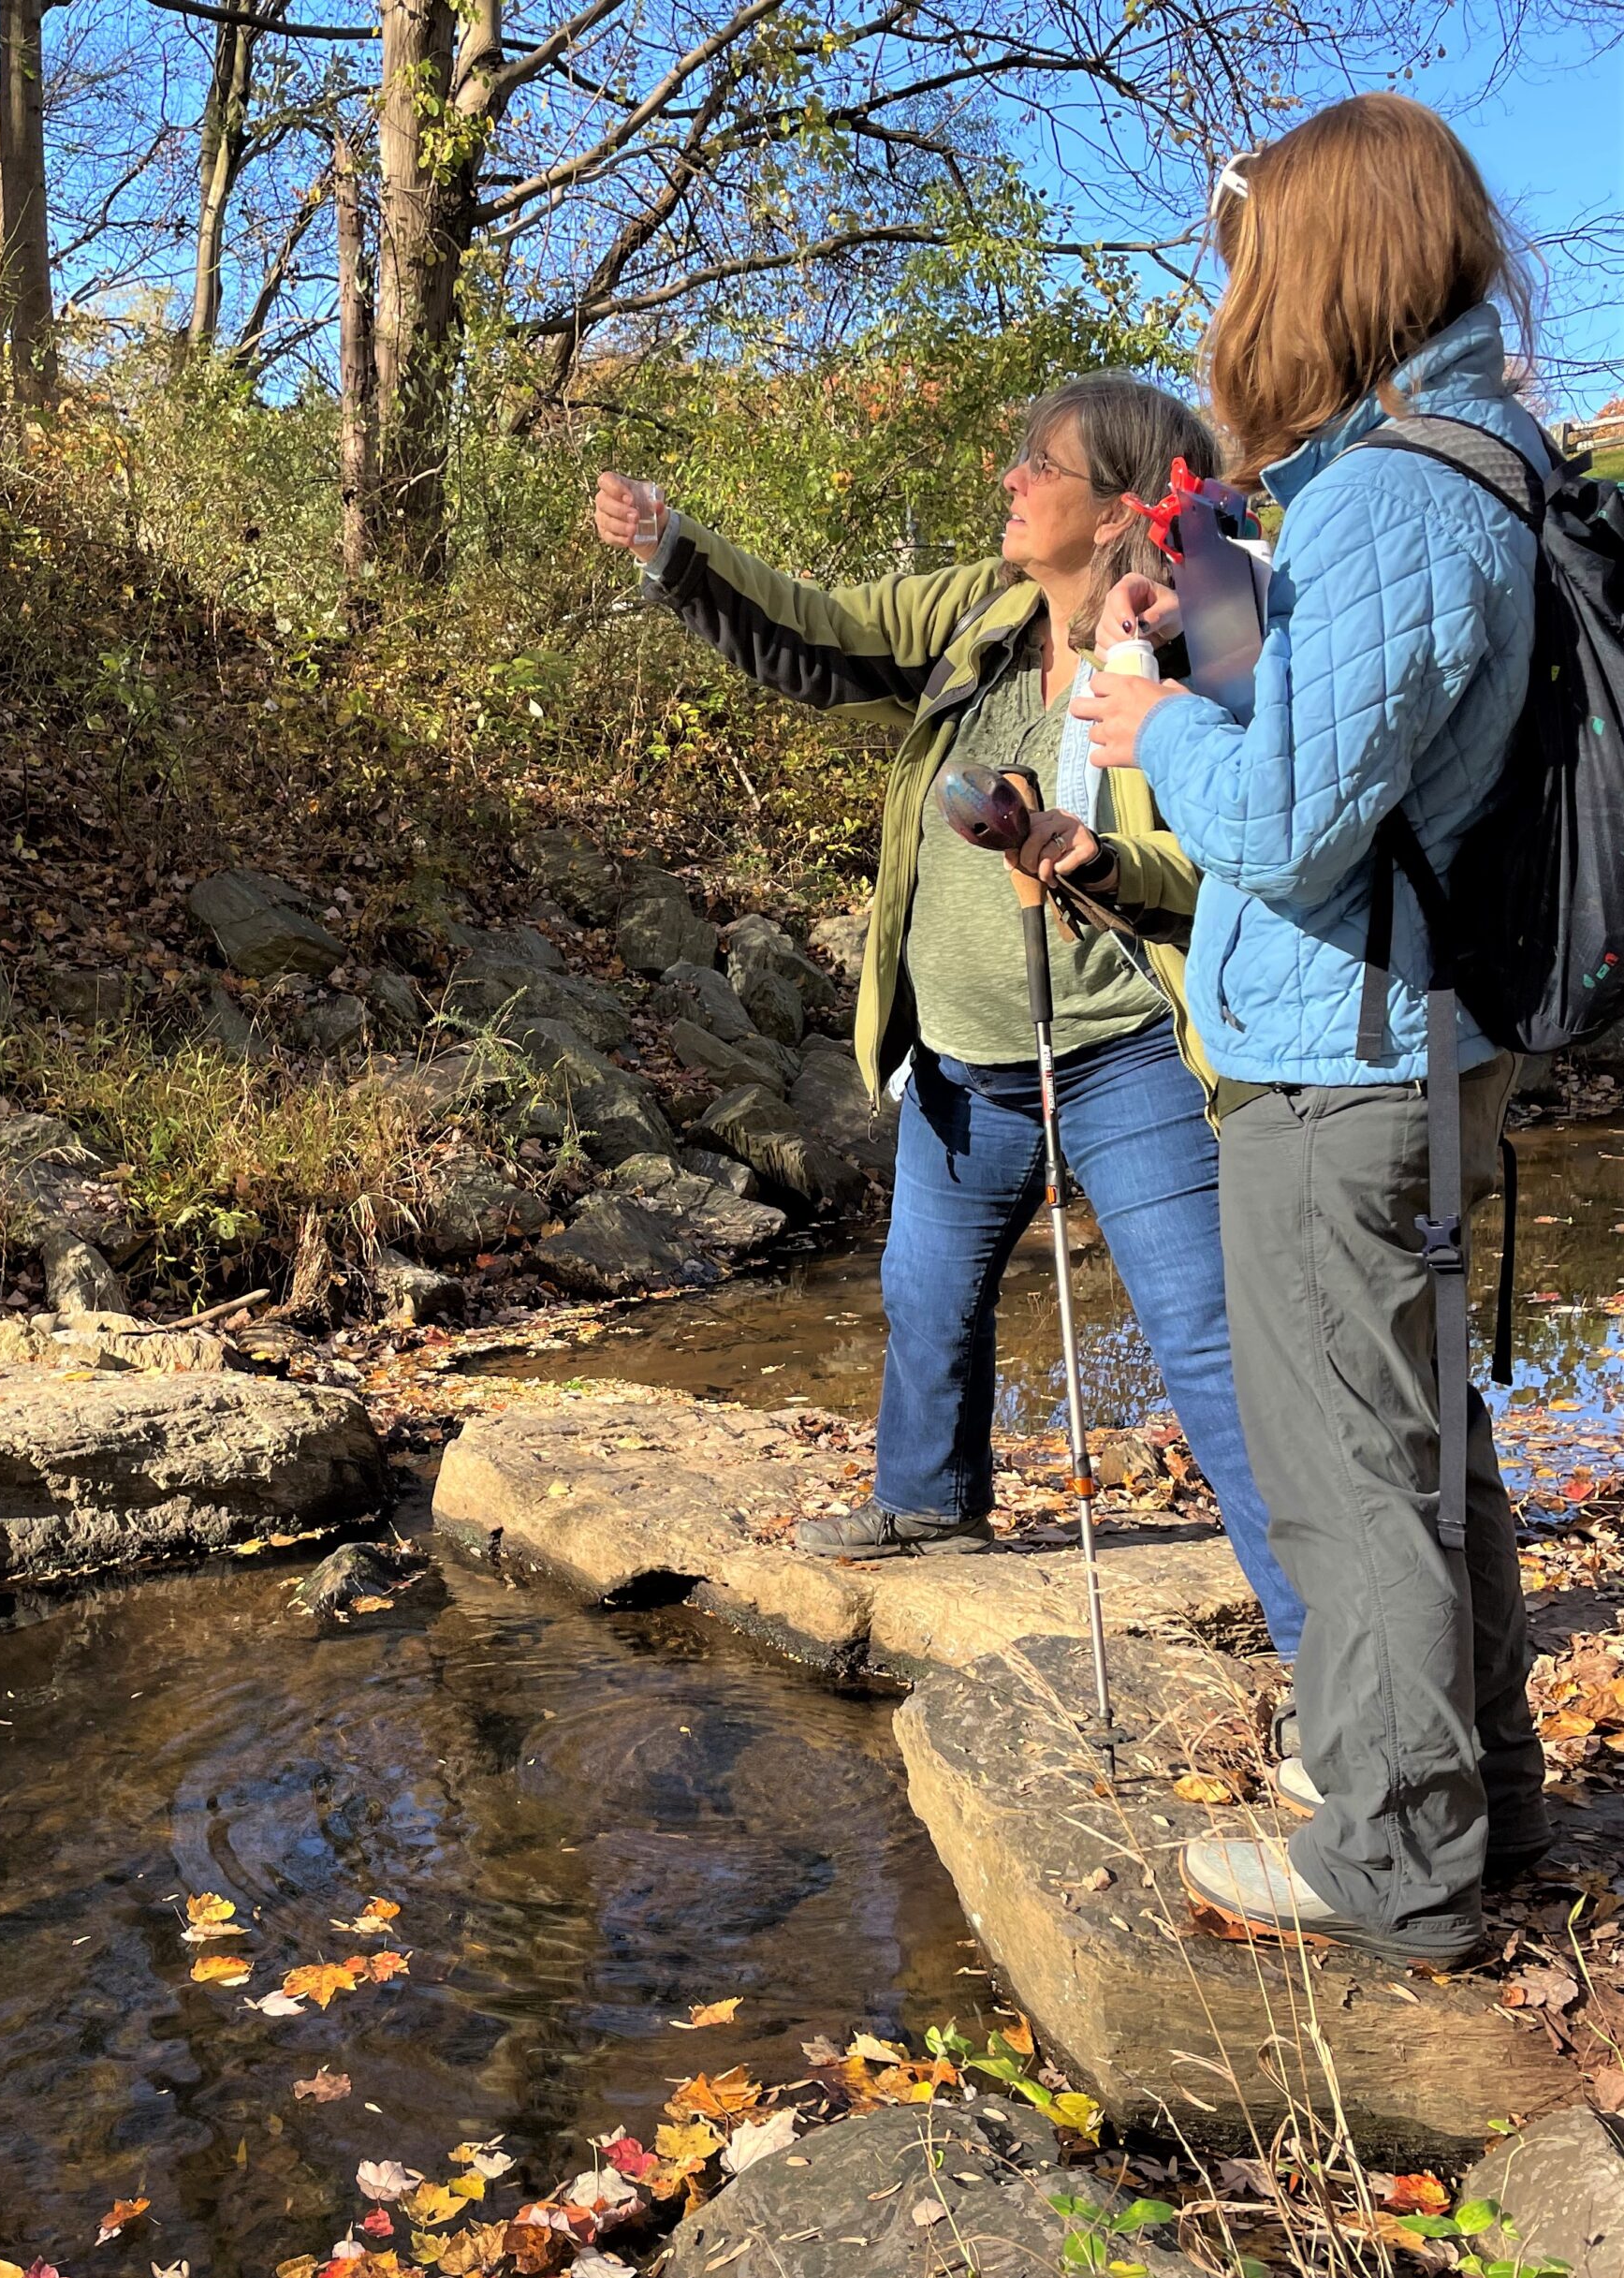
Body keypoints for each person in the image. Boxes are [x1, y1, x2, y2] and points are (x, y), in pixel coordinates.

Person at [592, 374, 1306, 1658]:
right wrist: (671, 548)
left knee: (1205, 1346)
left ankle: (1325, 1652)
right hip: (964, 1052)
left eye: (1038, 464)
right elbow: (817, 637)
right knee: (925, 1294)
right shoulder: (976, 615)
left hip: (1129, 1052)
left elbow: (1234, 863)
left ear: (1116, 509)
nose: (1009, 480)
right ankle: (928, 1507)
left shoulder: (1203, 637)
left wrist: (1094, 863)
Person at [1075, 94, 1551, 1967]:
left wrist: (1145, 724)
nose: (1230, 290)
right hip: (1411, 1037)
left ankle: (1397, 1853)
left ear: (1324, 258)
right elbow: (1350, 727)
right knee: (1425, 1438)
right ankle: (1464, 1789)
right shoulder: (1455, 464)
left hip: (1341, 1062)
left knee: (1349, 1457)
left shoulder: (1393, 497)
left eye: (1249, 250)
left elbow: (1278, 817)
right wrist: (1203, 625)